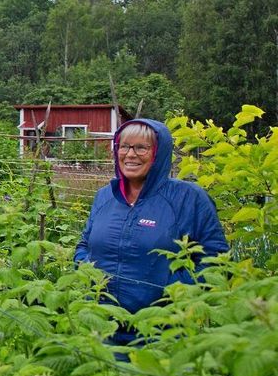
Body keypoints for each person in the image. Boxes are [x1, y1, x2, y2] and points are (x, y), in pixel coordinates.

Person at [74, 118, 228, 346]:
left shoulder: (188, 198)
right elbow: (84, 245)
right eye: (124, 146)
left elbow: (217, 261)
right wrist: (87, 270)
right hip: (101, 328)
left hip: (162, 333)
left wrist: (177, 292)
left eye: (141, 147)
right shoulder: (105, 197)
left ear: (159, 154)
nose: (130, 154)